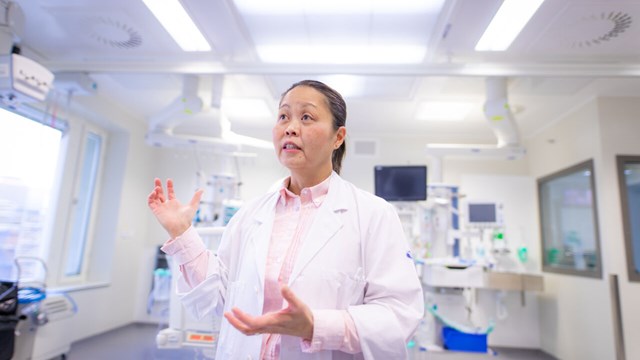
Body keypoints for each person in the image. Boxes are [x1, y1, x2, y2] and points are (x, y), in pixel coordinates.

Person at [148, 80, 424, 359]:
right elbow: (219, 299)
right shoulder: (250, 215)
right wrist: (183, 233)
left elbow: (399, 315)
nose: (290, 127)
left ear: (338, 137)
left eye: (306, 117)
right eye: (283, 116)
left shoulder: (374, 214)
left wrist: (316, 326)